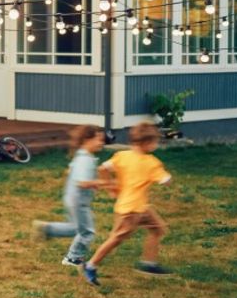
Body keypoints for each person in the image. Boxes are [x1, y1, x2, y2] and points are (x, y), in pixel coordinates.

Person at [82, 122, 173, 286]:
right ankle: (90, 265)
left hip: (141, 207)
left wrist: (110, 186)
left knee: (157, 229)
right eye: (155, 142)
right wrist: (166, 177)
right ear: (146, 143)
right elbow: (165, 180)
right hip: (131, 211)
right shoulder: (151, 162)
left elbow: (103, 168)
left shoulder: (122, 156)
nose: (156, 145)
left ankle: (149, 264)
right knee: (116, 238)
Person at [34, 125, 106, 267]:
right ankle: (73, 258)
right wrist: (99, 182)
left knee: (76, 227)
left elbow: (69, 172)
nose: (101, 143)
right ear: (87, 140)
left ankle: (46, 229)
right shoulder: (85, 159)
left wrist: (91, 183)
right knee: (87, 232)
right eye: (98, 139)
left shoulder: (81, 155)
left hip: (72, 197)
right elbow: (82, 182)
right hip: (79, 201)